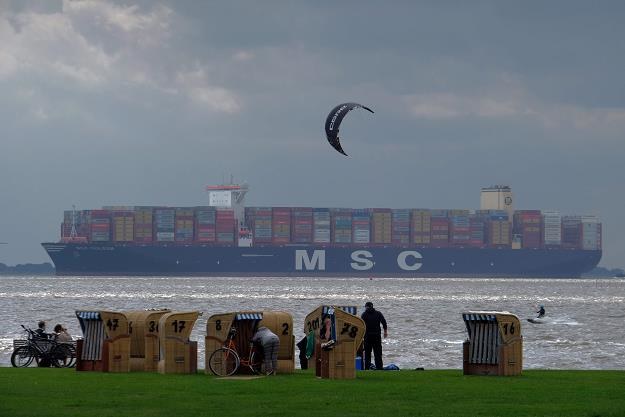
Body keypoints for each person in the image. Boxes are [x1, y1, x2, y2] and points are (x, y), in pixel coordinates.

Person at [361, 301, 388, 370]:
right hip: (376, 336)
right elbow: (384, 322)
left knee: (367, 354)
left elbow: (361, 326)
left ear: (366, 307)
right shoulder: (378, 313)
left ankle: (367, 368)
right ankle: (379, 368)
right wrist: (385, 332)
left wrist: (361, 336)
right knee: (378, 353)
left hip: (367, 337)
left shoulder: (364, 314)